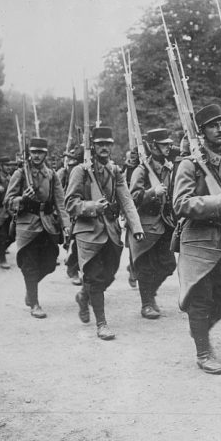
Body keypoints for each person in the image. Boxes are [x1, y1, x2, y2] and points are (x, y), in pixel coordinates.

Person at [172, 104, 221, 374]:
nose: (220, 130)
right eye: (213, 126)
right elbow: (180, 204)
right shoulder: (188, 164)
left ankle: (200, 330)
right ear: (202, 132)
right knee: (201, 298)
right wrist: (211, 202)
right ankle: (203, 352)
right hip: (198, 241)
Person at [65, 126, 144, 340]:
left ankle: (84, 296)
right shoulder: (80, 171)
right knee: (95, 276)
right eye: (100, 144)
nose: (105, 148)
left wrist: (136, 227)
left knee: (109, 273)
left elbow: (126, 199)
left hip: (110, 230)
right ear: (92, 146)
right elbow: (70, 203)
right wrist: (92, 206)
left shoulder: (114, 170)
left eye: (108, 144)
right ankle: (101, 324)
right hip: (87, 231)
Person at [5, 138, 71, 319]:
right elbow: (8, 202)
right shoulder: (20, 174)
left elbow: (60, 202)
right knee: (30, 265)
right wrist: (22, 199)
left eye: (40, 152)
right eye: (33, 152)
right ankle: (34, 302)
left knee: (50, 263)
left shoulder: (51, 175)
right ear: (29, 153)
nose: (36, 155)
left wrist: (66, 226)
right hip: (27, 225)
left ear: (45, 154)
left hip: (48, 224)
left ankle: (30, 289)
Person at [128, 129, 178, 320]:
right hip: (146, 225)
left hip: (165, 224)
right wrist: (152, 193)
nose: (168, 147)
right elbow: (132, 198)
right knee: (146, 267)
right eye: (164, 144)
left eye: (168, 144)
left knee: (168, 264)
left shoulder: (168, 167)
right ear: (153, 146)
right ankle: (147, 303)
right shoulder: (141, 170)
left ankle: (150, 293)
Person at [57, 144, 83, 285]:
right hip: (70, 208)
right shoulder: (64, 172)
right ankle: (72, 268)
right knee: (74, 241)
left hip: (83, 207)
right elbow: (60, 192)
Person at [121, 149, 141, 288]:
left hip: (142, 209)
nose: (132, 159)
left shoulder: (143, 169)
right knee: (133, 246)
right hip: (130, 211)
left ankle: (134, 267)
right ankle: (133, 272)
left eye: (135, 157)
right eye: (130, 157)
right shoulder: (124, 171)